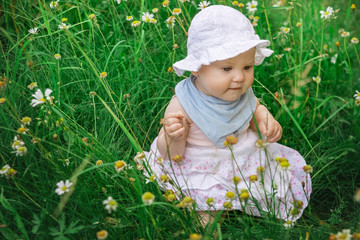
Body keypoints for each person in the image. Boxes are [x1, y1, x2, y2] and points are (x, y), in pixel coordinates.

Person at [145, 5, 311, 226]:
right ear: (196, 67)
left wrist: (264, 119)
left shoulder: (240, 92)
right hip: (201, 165)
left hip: (242, 156)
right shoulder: (183, 104)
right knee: (206, 217)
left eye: (247, 67)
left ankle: (244, 203)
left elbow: (254, 109)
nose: (239, 78)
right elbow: (170, 154)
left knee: (275, 188)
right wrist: (174, 136)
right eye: (226, 69)